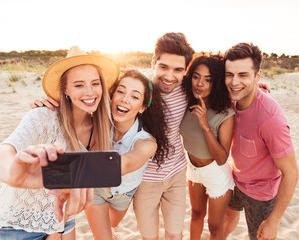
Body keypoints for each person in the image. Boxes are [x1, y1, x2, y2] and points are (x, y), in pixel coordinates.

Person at [0, 46, 119, 239]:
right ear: (65, 90)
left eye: (95, 83)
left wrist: (57, 230)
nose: (89, 92)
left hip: (62, 218)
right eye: (79, 85)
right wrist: (12, 174)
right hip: (20, 226)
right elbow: (2, 152)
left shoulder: (100, 130)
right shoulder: (43, 115)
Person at [222, 42, 298, 240]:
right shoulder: (230, 99)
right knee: (228, 216)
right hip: (235, 178)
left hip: (261, 193)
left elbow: (291, 173)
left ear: (258, 76)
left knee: (258, 236)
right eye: (229, 74)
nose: (234, 82)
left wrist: (274, 221)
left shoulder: (271, 119)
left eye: (243, 75)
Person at [85, 69, 169, 240]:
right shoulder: (96, 122)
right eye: (121, 91)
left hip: (123, 195)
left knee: (109, 226)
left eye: (134, 96)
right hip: (96, 188)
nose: (124, 99)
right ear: (112, 95)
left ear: (142, 108)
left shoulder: (146, 143)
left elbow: (124, 164)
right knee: (102, 236)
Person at [132, 32, 195, 240]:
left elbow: (220, 86)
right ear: (153, 62)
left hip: (176, 173)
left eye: (178, 70)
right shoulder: (138, 88)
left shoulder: (187, 88)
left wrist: (257, 88)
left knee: (175, 235)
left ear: (186, 70)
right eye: (164, 67)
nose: (170, 77)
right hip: (144, 179)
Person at [179, 54, 235, 239]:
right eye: (196, 76)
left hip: (215, 173)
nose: (200, 84)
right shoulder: (188, 102)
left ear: (216, 83)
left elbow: (221, 158)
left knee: (214, 227)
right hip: (193, 168)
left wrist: (205, 124)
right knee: (196, 214)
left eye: (208, 79)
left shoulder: (225, 114)